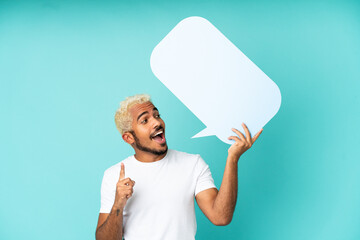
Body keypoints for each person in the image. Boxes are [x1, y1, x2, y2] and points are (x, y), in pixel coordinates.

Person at [95, 94, 263, 240]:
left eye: (157, 115)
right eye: (145, 120)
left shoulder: (193, 164)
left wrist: (233, 158)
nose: (157, 122)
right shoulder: (114, 175)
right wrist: (118, 204)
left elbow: (221, 217)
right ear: (129, 138)